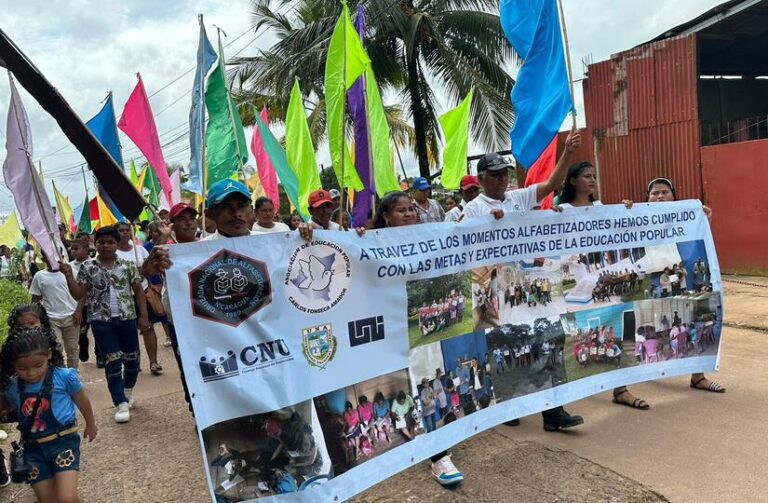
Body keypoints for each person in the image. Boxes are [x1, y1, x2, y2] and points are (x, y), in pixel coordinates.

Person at [461, 130, 585, 432]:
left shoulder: (518, 197)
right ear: (481, 179)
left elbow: (552, 184)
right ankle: (509, 405)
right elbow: (463, 248)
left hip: (529, 287)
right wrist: (489, 226)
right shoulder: (473, 209)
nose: (502, 178)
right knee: (509, 347)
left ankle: (553, 412)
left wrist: (567, 152)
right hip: (497, 291)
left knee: (545, 339)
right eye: (495, 174)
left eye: (504, 173)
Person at [372, 191, 462, 485]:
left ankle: (438, 455)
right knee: (406, 387)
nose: (410, 214)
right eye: (401, 210)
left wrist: (492, 222)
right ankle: (415, 442)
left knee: (425, 379)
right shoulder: (369, 244)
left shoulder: (432, 237)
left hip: (423, 335)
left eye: (412, 209)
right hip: (389, 330)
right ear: (386, 217)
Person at [640, 177, 724, 393]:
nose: (659, 196)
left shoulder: (686, 218)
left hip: (684, 281)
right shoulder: (639, 219)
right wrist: (627, 210)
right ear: (647, 198)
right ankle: (648, 368)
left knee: (693, 319)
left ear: (673, 196)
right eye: (654, 193)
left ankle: (698, 376)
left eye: (664, 192)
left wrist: (706, 220)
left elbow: (701, 243)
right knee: (657, 328)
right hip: (658, 282)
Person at [60, 225, 150, 424]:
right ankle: (120, 402)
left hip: (127, 318)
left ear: (117, 244)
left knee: (133, 359)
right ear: (95, 243)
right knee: (112, 361)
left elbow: (138, 291)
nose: (106, 246)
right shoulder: (87, 267)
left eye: (110, 242)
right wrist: (67, 275)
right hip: (101, 321)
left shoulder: (127, 266)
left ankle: (127, 391)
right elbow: (78, 294)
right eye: (102, 242)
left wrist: (144, 317)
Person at [0, 326, 97, 501]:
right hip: (33, 449)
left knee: (67, 497)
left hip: (64, 442)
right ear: (13, 364)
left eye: (38, 365)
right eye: (22, 368)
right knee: (47, 500)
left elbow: (82, 400)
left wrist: (91, 424)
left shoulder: (65, 376)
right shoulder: (12, 387)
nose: (31, 373)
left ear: (49, 355)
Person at [115, 221, 163, 376]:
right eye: (121, 230)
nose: (124, 233)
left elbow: (151, 270)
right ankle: (133, 363)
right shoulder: (112, 253)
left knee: (147, 328)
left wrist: (142, 271)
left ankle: (153, 362)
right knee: (127, 331)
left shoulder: (140, 250)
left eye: (126, 230)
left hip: (142, 293)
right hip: (122, 297)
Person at [29, 254, 80, 369]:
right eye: (50, 257)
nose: (55, 260)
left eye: (57, 257)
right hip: (51, 319)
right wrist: (34, 318)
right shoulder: (40, 276)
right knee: (57, 349)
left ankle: (73, 375)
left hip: (71, 317)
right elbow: (35, 299)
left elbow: (81, 292)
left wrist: (78, 311)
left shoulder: (72, 272)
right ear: (43, 259)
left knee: (72, 349)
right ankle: (60, 375)